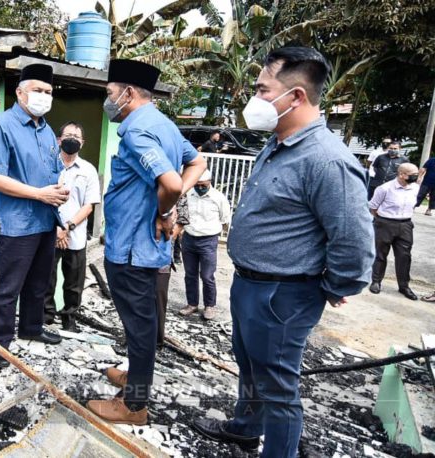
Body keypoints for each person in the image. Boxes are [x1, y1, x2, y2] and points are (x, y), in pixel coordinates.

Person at [192, 47, 374, 457]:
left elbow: (353, 241)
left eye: (261, 90)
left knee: (278, 387)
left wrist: (331, 286)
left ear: (295, 97)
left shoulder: (327, 161)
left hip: (284, 293)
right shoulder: (277, 144)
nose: (253, 100)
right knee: (250, 364)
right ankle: (244, 427)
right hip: (250, 283)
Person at [87, 59, 206, 425]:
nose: (108, 102)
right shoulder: (165, 125)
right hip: (145, 247)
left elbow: (170, 184)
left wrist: (165, 210)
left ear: (128, 93)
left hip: (132, 248)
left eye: (110, 94)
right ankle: (134, 377)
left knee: (139, 328)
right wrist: (169, 205)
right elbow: (197, 163)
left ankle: (134, 405)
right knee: (140, 323)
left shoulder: (138, 132)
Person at [0, 64, 69, 368]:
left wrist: (58, 190)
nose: (44, 96)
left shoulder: (47, 130)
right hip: (17, 223)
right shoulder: (2, 126)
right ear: (20, 93)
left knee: (39, 282)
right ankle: (0, 342)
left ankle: (31, 328)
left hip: (45, 220)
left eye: (48, 92)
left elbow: (49, 171)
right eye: (37, 90)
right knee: (8, 287)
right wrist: (39, 194)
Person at [43, 121, 101, 332]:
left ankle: (69, 317)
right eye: (68, 135)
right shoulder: (48, 165)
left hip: (75, 235)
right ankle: (46, 315)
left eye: (77, 136)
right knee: (46, 277)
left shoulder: (88, 170)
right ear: (59, 140)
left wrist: (68, 226)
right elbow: (43, 197)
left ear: (82, 143)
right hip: (50, 231)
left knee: (74, 281)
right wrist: (57, 228)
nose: (72, 139)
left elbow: (89, 205)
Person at [177, 169, 231, 321]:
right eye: (197, 185)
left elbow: (225, 219)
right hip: (189, 238)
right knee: (190, 274)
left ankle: (210, 306)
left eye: (203, 185)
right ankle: (192, 304)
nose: (200, 188)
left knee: (207, 276)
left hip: (208, 240)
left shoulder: (218, 198)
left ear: (210, 183)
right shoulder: (188, 194)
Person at [368, 163, 420, 300]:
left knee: (404, 256)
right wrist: (382, 220)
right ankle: (376, 282)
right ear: (402, 174)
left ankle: (404, 286)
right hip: (385, 223)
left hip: (406, 225)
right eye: (413, 174)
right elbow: (373, 207)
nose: (416, 176)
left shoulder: (415, 188)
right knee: (380, 254)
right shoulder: (384, 188)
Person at [155, 195, 190, 347]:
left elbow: (182, 221)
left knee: (158, 299)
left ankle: (156, 340)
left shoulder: (178, 193)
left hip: (161, 255)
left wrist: (166, 236)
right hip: (137, 255)